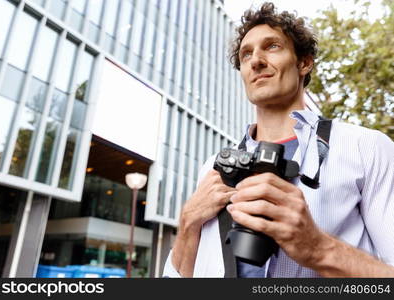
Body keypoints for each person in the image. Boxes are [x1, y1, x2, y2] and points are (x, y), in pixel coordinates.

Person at [163, 2, 394, 278]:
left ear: (304, 63)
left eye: (272, 46)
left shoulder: (366, 148)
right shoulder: (213, 168)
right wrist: (189, 222)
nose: (256, 61)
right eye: (246, 54)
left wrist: (320, 249)